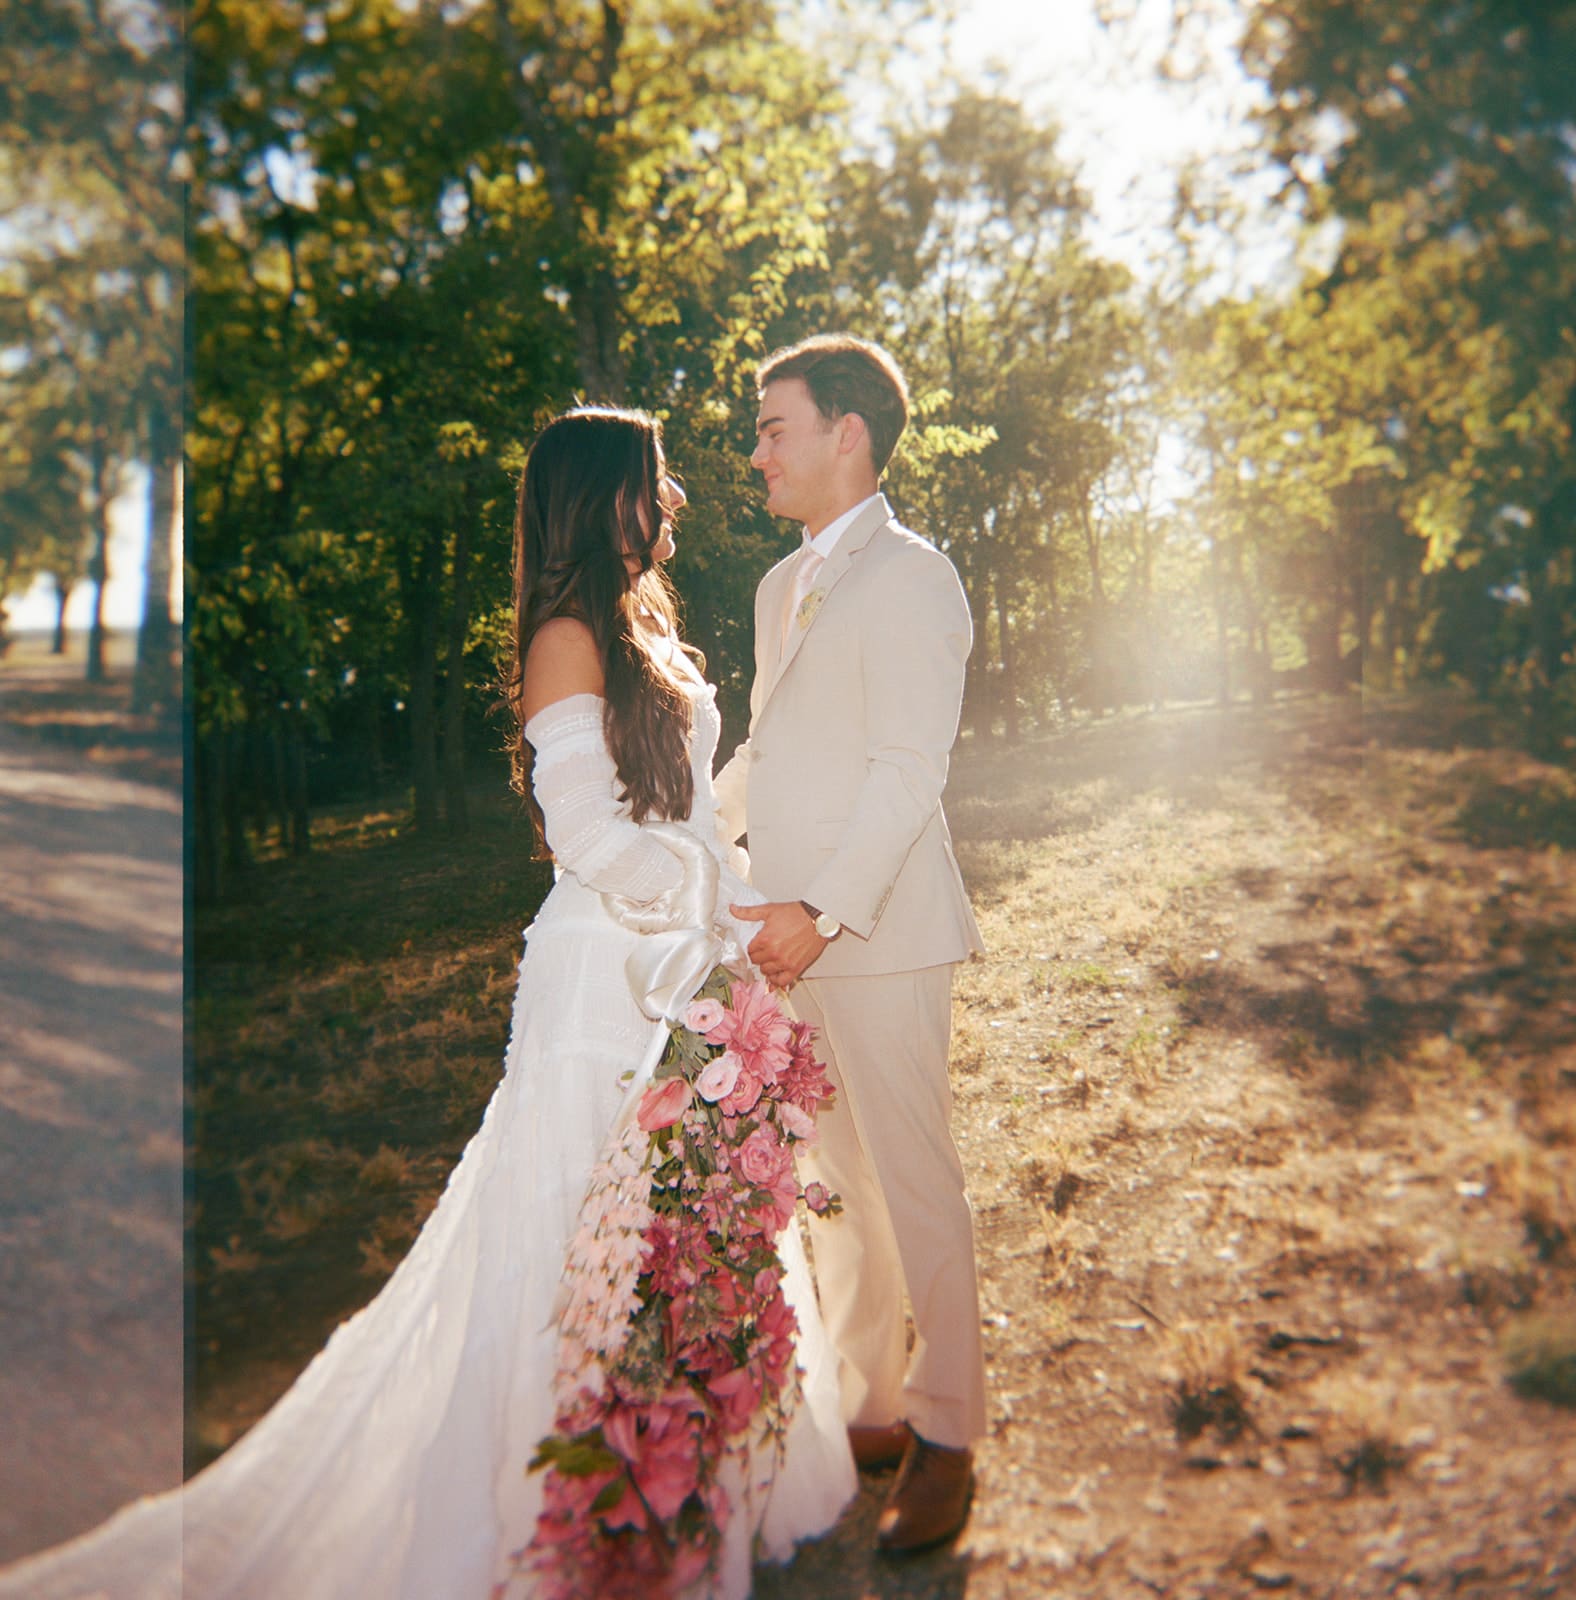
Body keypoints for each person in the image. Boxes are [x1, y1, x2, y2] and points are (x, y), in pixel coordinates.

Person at [0, 406, 854, 1599]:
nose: (672, 503)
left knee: (681, 1220)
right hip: (600, 978)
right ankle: (571, 1494)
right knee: (580, 1233)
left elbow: (688, 815)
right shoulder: (566, 634)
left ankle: (691, 1467)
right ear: (598, 495)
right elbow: (590, 840)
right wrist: (725, 913)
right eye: (652, 483)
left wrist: (747, 916)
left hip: (683, 964)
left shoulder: (642, 624)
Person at [714, 333, 988, 1554]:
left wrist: (819, 912)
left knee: (916, 1178)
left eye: (775, 427)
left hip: (871, 929)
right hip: (783, 938)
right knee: (833, 1180)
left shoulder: (917, 576)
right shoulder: (779, 588)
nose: (756, 451)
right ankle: (872, 1402)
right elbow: (768, 756)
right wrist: (678, 839)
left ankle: (950, 1430)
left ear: (848, 434)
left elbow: (905, 770)